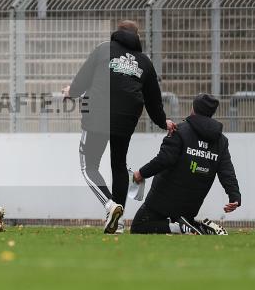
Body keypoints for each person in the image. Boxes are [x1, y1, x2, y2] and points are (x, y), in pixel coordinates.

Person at [63, 20, 176, 234]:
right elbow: (154, 100)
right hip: (126, 119)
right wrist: (164, 122)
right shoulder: (144, 62)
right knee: (119, 165)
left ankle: (110, 205)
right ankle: (119, 222)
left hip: (97, 116)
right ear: (137, 37)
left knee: (89, 167)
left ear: (117, 32)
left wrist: (71, 92)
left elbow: (82, 79)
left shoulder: (103, 49)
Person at [129, 94, 240, 235]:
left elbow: (164, 159)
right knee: (185, 222)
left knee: (139, 226)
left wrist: (141, 173)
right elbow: (227, 172)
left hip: (163, 199)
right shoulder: (221, 141)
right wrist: (235, 197)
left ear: (193, 108)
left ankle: (179, 228)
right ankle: (199, 227)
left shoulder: (179, 131)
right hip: (191, 205)